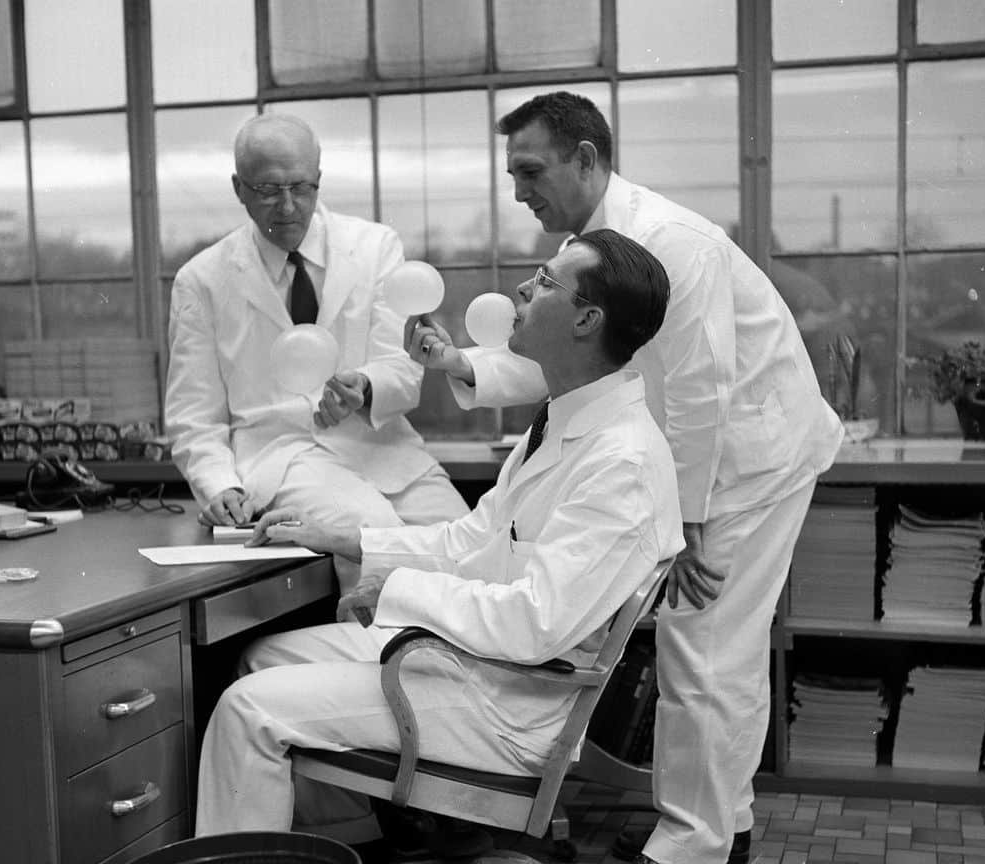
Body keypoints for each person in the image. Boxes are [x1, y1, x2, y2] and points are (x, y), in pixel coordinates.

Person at [406, 92, 845, 864]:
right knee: (706, 650)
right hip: (706, 455)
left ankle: (697, 844)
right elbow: (576, 354)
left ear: (587, 157)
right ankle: (720, 827)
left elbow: (702, 387)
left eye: (531, 169)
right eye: (512, 174)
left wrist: (691, 519)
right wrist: (456, 363)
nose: (519, 191)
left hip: (748, 458)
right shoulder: (593, 246)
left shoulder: (670, 240)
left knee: (707, 650)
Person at [193, 229, 686, 850]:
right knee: (260, 659)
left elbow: (535, 622)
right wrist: (347, 539)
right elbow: (472, 538)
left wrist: (396, 589)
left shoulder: (621, 464)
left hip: (506, 703)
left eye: (547, 281)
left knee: (247, 709)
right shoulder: (566, 421)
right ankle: (337, 844)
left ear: (587, 319)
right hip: (485, 666)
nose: (524, 288)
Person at [165, 112, 467, 554]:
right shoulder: (203, 280)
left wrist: (364, 387)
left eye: (301, 187)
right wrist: (220, 486)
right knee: (370, 533)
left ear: (318, 179)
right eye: (268, 190)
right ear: (238, 188)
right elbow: (194, 415)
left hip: (385, 453)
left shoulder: (375, 248)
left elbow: (403, 372)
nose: (288, 206)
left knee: (469, 540)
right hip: (284, 460)